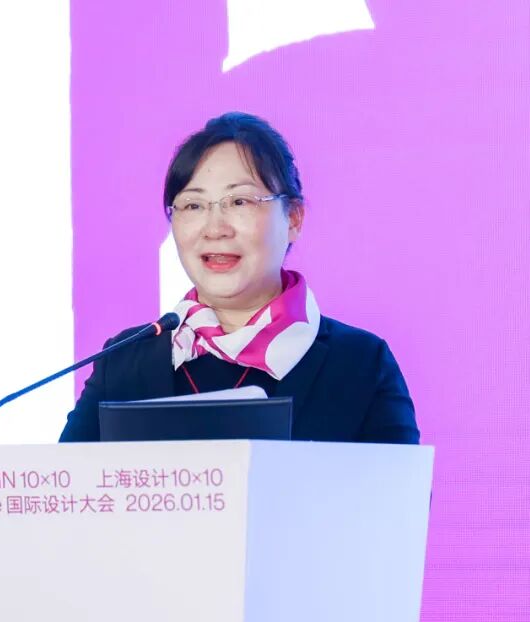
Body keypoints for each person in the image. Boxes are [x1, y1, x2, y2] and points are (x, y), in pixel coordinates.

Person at [59, 112, 419, 443]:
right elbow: (68, 486)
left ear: (294, 218)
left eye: (240, 202)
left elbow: (398, 492)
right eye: (193, 205)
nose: (215, 228)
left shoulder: (360, 364)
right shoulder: (124, 360)